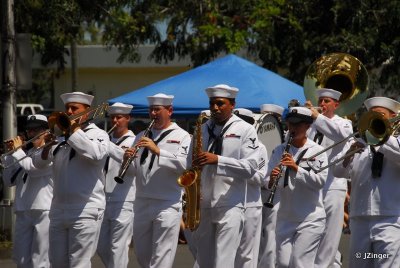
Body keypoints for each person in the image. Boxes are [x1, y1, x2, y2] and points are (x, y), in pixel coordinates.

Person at [33, 92, 110, 267]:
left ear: (87, 112)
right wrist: (46, 146)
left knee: (79, 263)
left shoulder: (98, 135)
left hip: (86, 209)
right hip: (59, 209)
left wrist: (74, 131)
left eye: (74, 108)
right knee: (57, 263)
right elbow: (38, 163)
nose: (69, 111)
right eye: (67, 108)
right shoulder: (60, 138)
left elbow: (96, 154)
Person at [192, 84, 260, 268]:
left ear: (232, 105)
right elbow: (189, 163)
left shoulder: (245, 130)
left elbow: (250, 168)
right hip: (204, 202)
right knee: (204, 261)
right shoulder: (202, 129)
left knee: (223, 262)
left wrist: (218, 160)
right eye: (212, 103)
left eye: (220, 103)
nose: (215, 108)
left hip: (231, 204)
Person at [124, 93, 191, 268]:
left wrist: (159, 151)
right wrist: (126, 160)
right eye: (151, 110)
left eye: (157, 110)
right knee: (141, 254)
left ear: (169, 110)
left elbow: (185, 165)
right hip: (142, 201)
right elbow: (133, 171)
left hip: (167, 202)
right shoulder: (140, 136)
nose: (153, 114)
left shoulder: (183, 136)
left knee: (162, 257)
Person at [333, 97, 400, 268]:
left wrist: (380, 138)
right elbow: (338, 171)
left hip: (389, 219)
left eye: (380, 115)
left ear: (393, 117)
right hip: (360, 218)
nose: (375, 120)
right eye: (372, 115)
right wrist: (349, 153)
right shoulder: (360, 142)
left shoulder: (395, 142)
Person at [267, 107, 328, 267]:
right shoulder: (279, 150)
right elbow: (265, 179)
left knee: (300, 263)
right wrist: (271, 178)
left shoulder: (318, 151)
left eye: (298, 125)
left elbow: (319, 182)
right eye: (290, 124)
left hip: (311, 218)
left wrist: (296, 168)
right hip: (285, 217)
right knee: (282, 262)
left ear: (308, 126)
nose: (292, 128)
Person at [305, 88, 353, 267]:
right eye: (321, 101)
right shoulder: (312, 124)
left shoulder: (344, 123)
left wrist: (317, 117)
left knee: (330, 236)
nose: (323, 104)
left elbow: (339, 135)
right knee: (311, 232)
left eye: (326, 101)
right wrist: (305, 117)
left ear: (336, 104)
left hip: (333, 185)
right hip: (311, 184)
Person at [2, 114, 53, 268]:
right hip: (23, 208)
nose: (32, 133)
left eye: (36, 129)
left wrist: (18, 152)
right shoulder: (25, 154)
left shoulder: (49, 152)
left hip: (44, 208)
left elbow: (33, 170)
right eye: (29, 130)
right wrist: (10, 155)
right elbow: (8, 181)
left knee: (41, 259)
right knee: (21, 259)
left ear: (46, 132)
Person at [97, 102, 136, 268]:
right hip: (102, 197)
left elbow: (135, 170)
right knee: (100, 245)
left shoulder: (135, 140)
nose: (115, 120)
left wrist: (111, 147)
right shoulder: (104, 139)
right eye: (112, 117)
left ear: (128, 118)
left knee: (118, 247)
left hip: (124, 198)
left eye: (119, 117)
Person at [233, 108, 268, 268]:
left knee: (247, 254)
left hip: (250, 205)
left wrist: (237, 170)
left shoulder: (259, 148)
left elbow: (260, 178)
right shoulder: (228, 144)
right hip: (231, 203)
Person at [257, 103, 284, 268]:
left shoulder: (286, 139)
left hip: (275, 191)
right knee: (256, 234)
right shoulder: (253, 135)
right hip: (257, 188)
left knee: (271, 232)